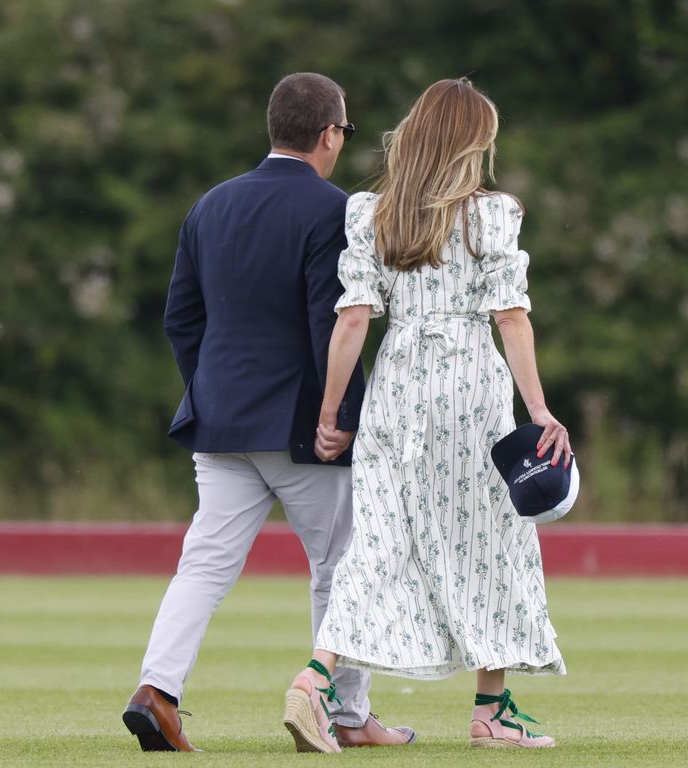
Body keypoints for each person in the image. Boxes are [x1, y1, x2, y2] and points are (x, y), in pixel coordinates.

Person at [122, 72, 413, 753]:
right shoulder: (333, 209)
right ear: (328, 133)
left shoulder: (210, 206)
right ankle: (343, 714)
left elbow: (180, 320)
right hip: (306, 428)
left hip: (220, 424)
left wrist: (212, 392)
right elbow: (330, 322)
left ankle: (157, 689)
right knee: (342, 565)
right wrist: (342, 414)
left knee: (203, 566)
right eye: (344, 131)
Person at [283, 77, 570, 751]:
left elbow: (353, 317)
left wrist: (332, 412)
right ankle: (491, 710)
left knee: (380, 541)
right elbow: (511, 317)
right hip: (470, 385)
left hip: (398, 385)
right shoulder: (494, 215)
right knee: (492, 540)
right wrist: (539, 410)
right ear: (473, 143)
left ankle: (315, 679)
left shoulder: (370, 212)